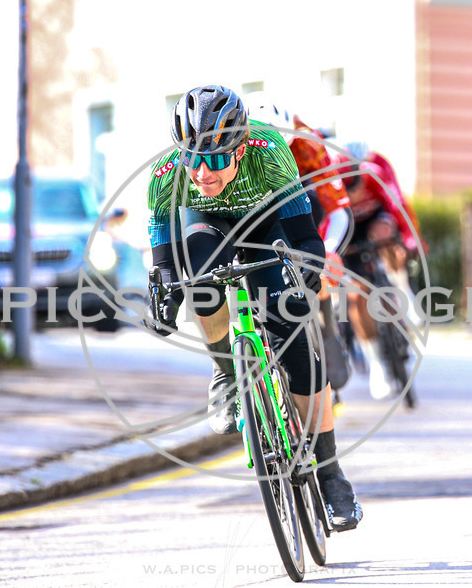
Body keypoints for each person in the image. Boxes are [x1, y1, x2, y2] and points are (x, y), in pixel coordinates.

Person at [145, 85, 362, 530]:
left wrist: (306, 270)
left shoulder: (270, 150)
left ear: (240, 150)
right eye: (192, 158)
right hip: (206, 224)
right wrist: (165, 296)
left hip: (267, 222)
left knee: (295, 345)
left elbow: (305, 237)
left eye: (216, 160)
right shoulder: (166, 173)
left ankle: (330, 473)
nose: (202, 172)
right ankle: (226, 369)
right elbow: (164, 263)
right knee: (201, 282)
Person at [245, 96, 353, 399]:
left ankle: (326, 330)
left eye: (284, 147)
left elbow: (338, 211)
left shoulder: (309, 145)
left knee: (310, 206)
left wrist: (325, 252)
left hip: (305, 211)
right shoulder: (232, 147)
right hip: (256, 211)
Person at [337, 143, 424, 399]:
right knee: (356, 295)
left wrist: (409, 240)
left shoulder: (375, 174)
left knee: (387, 236)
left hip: (374, 220)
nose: (356, 195)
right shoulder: (331, 189)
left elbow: (399, 207)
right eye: (351, 192)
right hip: (348, 230)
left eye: (359, 187)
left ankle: (403, 292)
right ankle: (376, 364)